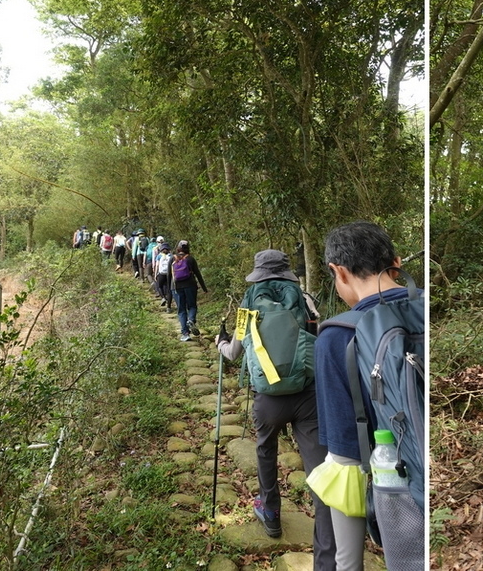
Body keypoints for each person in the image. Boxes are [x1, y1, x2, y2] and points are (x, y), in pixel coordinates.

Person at [312, 221, 423, 571]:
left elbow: (344, 456)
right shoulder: (429, 308)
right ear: (397, 262)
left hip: (403, 498)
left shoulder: (335, 336)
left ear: (338, 272)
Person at [215, 250, 336, 569]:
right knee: (319, 466)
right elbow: (320, 340)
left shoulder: (248, 304)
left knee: (265, 451)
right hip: (307, 396)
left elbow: (233, 354)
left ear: (258, 274)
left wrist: (220, 343)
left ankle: (270, 514)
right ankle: (328, 541)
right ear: (286, 273)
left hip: (267, 398)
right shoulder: (305, 299)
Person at [170, 240, 208, 341]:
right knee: (192, 306)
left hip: (176, 287)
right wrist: (204, 288)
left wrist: (169, 292)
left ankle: (185, 334)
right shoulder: (190, 259)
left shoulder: (173, 258)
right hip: (190, 285)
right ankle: (191, 320)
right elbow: (198, 274)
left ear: (178, 249)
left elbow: (168, 276)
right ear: (188, 249)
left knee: (181, 310)